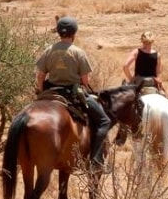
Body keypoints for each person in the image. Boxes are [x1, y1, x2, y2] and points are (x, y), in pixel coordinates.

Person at [35, 16, 112, 172]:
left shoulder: (49, 50)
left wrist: (42, 92)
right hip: (73, 94)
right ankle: (96, 161)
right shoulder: (78, 52)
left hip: (50, 92)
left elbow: (40, 76)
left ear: (58, 33)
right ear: (74, 33)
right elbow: (85, 81)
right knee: (104, 121)